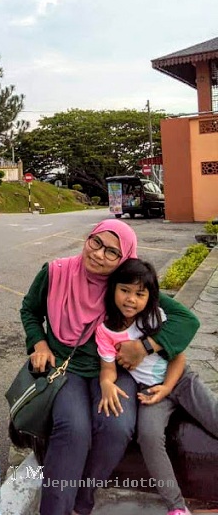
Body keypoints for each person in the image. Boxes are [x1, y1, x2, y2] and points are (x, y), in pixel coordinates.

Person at [20, 219, 200, 515]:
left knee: (117, 427)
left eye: (113, 252)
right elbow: (30, 309)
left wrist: (143, 347)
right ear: (88, 239)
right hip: (70, 367)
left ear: (125, 257)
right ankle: (55, 509)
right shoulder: (55, 273)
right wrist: (38, 343)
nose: (100, 255)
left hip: (115, 369)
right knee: (73, 429)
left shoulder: (124, 283)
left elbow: (187, 321)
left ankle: (83, 496)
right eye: (96, 243)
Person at [97, 258, 218, 515]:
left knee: (214, 417)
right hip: (150, 393)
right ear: (113, 289)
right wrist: (107, 384)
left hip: (181, 380)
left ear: (150, 297)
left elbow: (179, 357)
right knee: (149, 436)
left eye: (139, 294)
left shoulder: (155, 318)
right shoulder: (106, 331)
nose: (131, 299)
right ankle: (176, 506)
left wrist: (168, 387)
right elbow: (107, 369)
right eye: (125, 290)